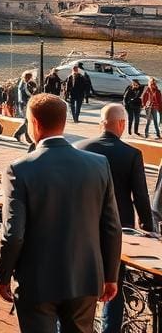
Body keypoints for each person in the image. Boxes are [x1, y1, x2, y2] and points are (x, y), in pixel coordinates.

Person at [0, 93, 122, 333]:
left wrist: (4, 275)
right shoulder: (98, 164)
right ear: (64, 122)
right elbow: (111, 227)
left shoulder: (19, 169)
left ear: (33, 123)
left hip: (37, 279)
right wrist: (110, 275)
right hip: (85, 276)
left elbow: (13, 233)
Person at [76, 103, 154, 333]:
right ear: (122, 124)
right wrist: (149, 227)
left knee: (80, 282)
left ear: (102, 123)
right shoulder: (131, 154)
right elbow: (140, 196)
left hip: (84, 226)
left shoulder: (79, 148)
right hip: (119, 229)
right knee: (114, 283)